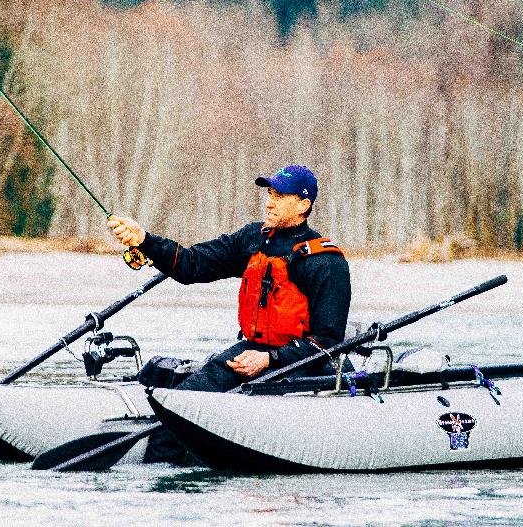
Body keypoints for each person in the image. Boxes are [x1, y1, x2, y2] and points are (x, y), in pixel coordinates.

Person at [107, 164, 351, 462]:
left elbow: (329, 343)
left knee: (199, 408)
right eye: (270, 193)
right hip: (250, 352)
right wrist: (145, 239)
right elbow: (192, 264)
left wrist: (269, 359)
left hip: (303, 364)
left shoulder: (326, 262)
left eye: (280, 196)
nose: (270, 201)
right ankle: (163, 477)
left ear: (303, 205)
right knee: (180, 404)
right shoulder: (253, 238)